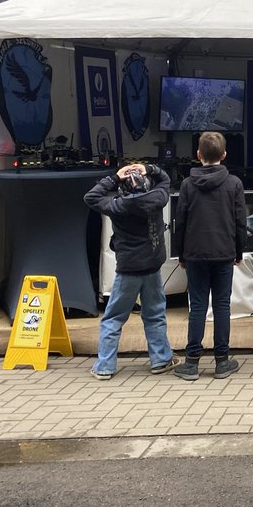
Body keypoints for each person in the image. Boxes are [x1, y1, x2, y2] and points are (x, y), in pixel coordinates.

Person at [84, 163, 175, 380]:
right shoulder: (157, 199)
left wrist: (115, 177)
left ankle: (105, 366)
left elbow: (91, 197)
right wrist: (149, 168)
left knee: (114, 318)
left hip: (128, 269)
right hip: (153, 266)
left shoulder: (118, 205)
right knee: (155, 315)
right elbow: (165, 180)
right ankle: (161, 360)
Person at [172, 131, 247, 381]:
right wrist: (239, 251)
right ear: (224, 155)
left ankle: (192, 362)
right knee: (222, 305)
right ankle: (222, 361)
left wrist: (180, 253)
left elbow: (179, 223)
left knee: (198, 307)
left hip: (194, 253)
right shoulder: (234, 183)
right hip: (224, 252)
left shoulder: (186, 184)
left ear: (198, 155)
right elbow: (240, 222)